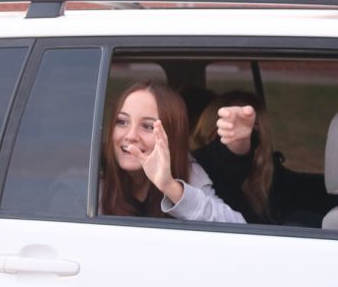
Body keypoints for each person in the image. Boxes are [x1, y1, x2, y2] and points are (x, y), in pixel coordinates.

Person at [101, 80, 246, 223]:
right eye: (122, 122)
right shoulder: (92, 172)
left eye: (148, 126)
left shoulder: (188, 170)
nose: (131, 135)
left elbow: (238, 227)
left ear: (172, 137)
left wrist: (170, 187)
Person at [190, 90, 275, 224]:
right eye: (230, 125)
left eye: (253, 126)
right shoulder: (203, 164)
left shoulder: (269, 172)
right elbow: (228, 160)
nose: (249, 134)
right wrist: (238, 141)